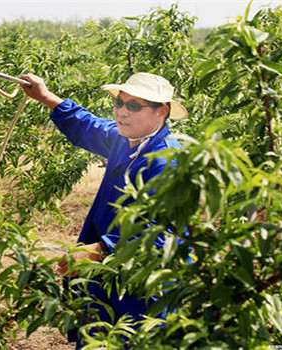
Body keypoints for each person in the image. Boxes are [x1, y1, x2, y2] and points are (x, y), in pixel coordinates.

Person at [19, 72, 188, 348]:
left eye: (134, 106)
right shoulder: (124, 141)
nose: (122, 112)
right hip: (107, 283)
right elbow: (87, 125)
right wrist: (44, 96)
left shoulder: (166, 160)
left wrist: (100, 249)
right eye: (120, 103)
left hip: (143, 289)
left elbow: (161, 235)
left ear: (162, 112)